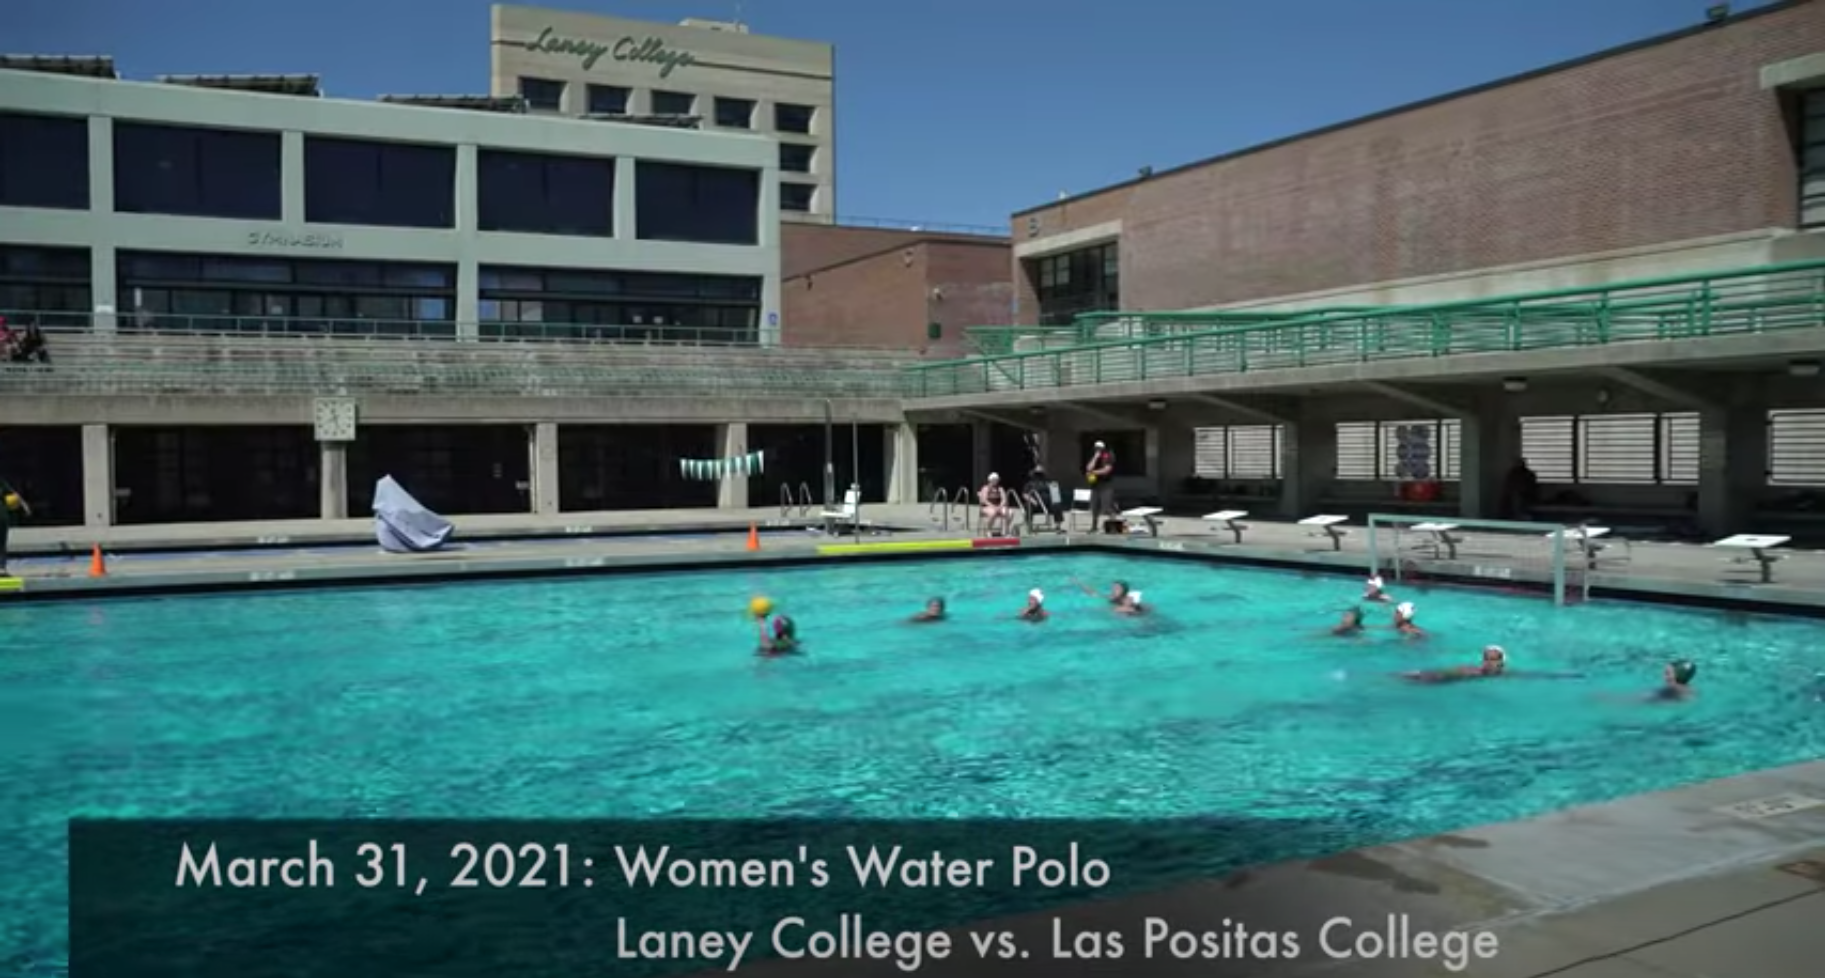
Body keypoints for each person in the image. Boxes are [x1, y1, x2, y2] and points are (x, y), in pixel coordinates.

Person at [1403, 645, 1508, 684]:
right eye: (1486, 659)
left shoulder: (1504, 674)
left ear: (1501, 662)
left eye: (1493, 660)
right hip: (1434, 678)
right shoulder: (1472, 671)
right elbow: (1444, 673)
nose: (1488, 662)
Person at [0, 477, 28, 576]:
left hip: (2, 516)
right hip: (2, 516)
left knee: (1, 543)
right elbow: (15, 495)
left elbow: (14, 495)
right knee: (1, 544)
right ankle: (2, 568)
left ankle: (2, 568)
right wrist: (25, 506)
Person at [1084, 440, 1117, 522]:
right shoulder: (1093, 456)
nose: (1097, 450)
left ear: (1103, 448)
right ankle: (1094, 526)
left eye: (1099, 448)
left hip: (1106, 485)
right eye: (1096, 448)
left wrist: (1093, 472)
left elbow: (1107, 470)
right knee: (1094, 507)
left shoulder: (1109, 455)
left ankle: (1113, 523)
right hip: (1095, 485)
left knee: (1107, 507)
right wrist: (1095, 458)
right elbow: (1088, 468)